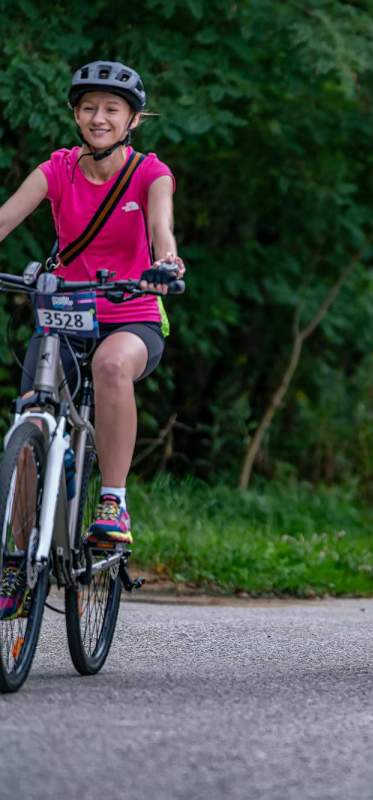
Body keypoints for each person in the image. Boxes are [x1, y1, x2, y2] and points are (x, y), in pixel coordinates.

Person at [0, 60, 183, 550]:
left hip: (131, 315)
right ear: (76, 115)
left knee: (109, 365)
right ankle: (16, 555)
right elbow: (5, 218)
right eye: (88, 108)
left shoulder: (150, 173)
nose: (98, 117)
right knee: (31, 419)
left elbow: (162, 229)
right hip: (64, 315)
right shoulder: (56, 170)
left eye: (111, 109)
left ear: (133, 120)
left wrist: (166, 264)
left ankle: (112, 502)